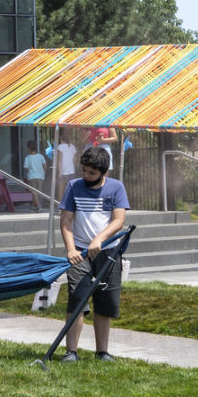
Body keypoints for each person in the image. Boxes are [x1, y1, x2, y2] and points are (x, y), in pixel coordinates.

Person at [59, 144, 129, 361]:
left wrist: (99, 239)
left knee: (105, 302)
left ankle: (102, 352)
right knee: (77, 300)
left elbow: (118, 220)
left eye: (92, 173)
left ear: (103, 173)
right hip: (79, 253)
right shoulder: (73, 186)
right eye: (84, 171)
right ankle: (71, 352)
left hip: (107, 253)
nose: (86, 176)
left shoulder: (116, 188)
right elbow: (66, 221)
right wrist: (71, 249)